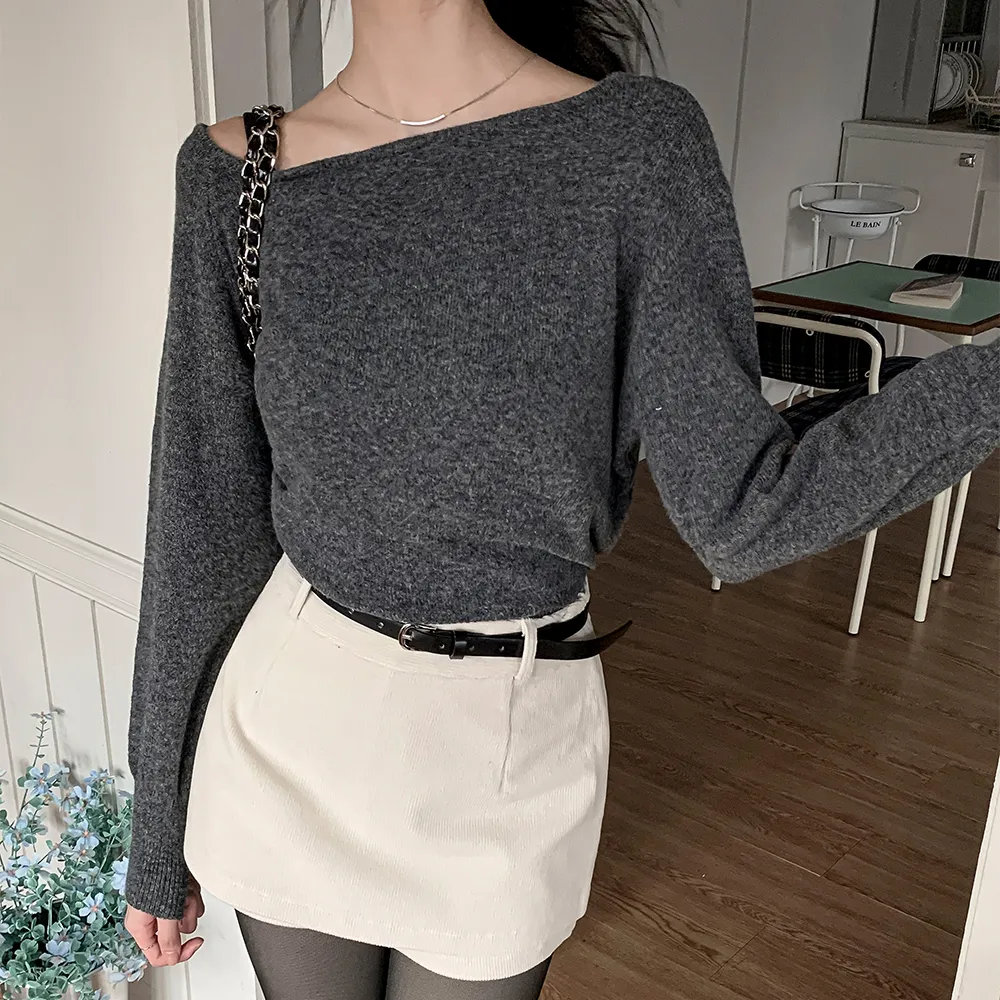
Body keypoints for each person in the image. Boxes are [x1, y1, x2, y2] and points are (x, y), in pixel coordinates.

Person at [123, 0, 1000, 997]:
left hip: (509, 746)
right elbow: (201, 515)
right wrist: (158, 826)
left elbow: (745, 506)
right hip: (293, 729)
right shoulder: (238, 175)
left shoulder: (631, 147)